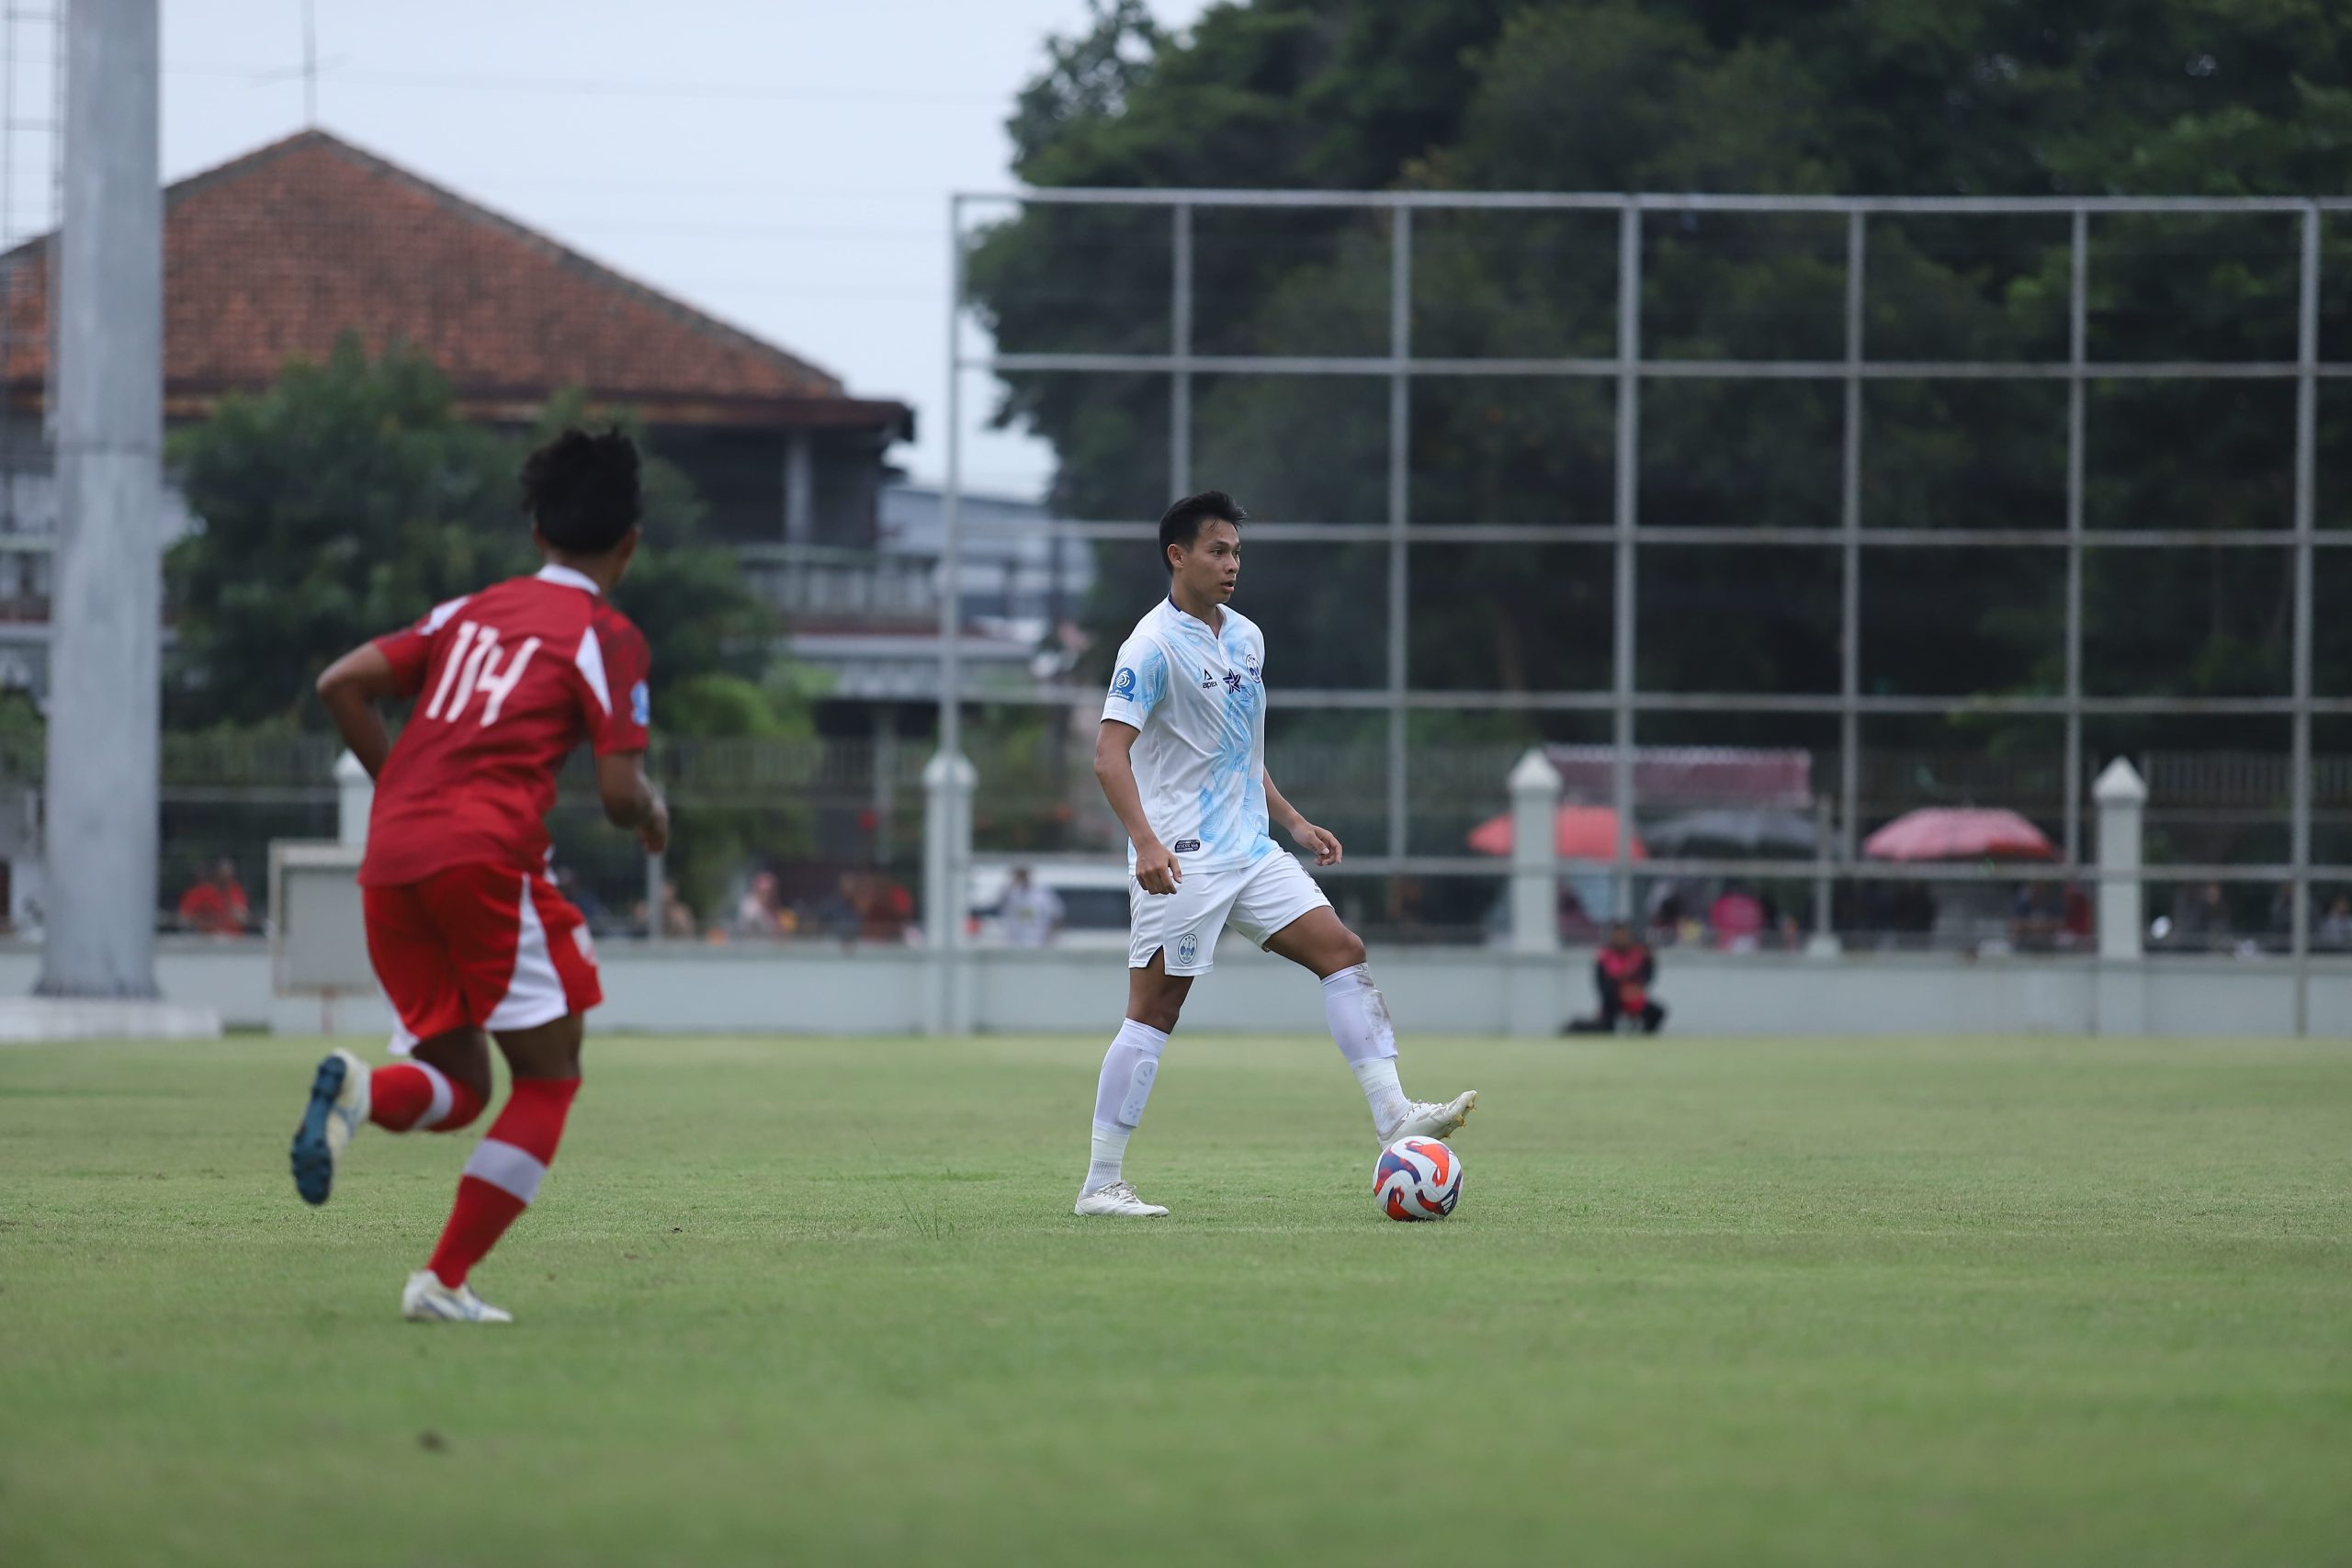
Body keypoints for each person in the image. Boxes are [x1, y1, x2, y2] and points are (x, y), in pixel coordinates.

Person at [294, 427, 668, 1325]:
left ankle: (358, 1088)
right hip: (482, 860)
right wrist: (654, 813)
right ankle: (441, 1281)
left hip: (392, 863)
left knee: (460, 1084)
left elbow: (341, 682)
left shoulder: (464, 612)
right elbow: (619, 797)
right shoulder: (606, 635)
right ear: (631, 543)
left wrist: (408, 791)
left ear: (536, 532)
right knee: (549, 1076)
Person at [1075, 491, 1476, 1218]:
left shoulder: (1249, 638)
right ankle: (1100, 1182)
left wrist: (1291, 819)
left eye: (1237, 553)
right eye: (1217, 551)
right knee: (1152, 1014)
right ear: (1178, 556)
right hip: (1185, 858)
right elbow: (1109, 757)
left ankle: (1394, 1114)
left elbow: (1239, 748)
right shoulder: (1150, 646)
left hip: (1252, 851)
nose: (1232, 565)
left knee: (1342, 950)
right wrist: (1145, 843)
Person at [1566, 921, 1667, 1034]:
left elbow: (1647, 976)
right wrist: (1617, 993)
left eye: (1624, 935)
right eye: (1618, 935)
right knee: (1605, 1028)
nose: (1621, 939)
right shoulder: (1605, 956)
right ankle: (1575, 1027)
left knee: (1657, 1012)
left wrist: (1639, 985)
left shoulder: (1640, 954)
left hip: (1633, 997)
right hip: (1613, 1000)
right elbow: (1601, 984)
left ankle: (1644, 1036)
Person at [176, 857, 252, 935]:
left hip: (233, 938)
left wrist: (237, 915)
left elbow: (243, 917)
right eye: (222, 873)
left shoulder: (236, 891)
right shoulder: (203, 891)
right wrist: (203, 921)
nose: (225, 877)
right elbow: (185, 916)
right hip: (208, 937)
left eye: (228, 873)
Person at [999, 864, 1064, 947]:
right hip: (1014, 943)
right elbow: (1001, 906)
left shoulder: (1042, 893)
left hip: (1038, 942)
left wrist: (1051, 936)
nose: (1021, 878)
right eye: (1018, 875)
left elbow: (1057, 915)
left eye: (1023, 875)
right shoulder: (1010, 893)